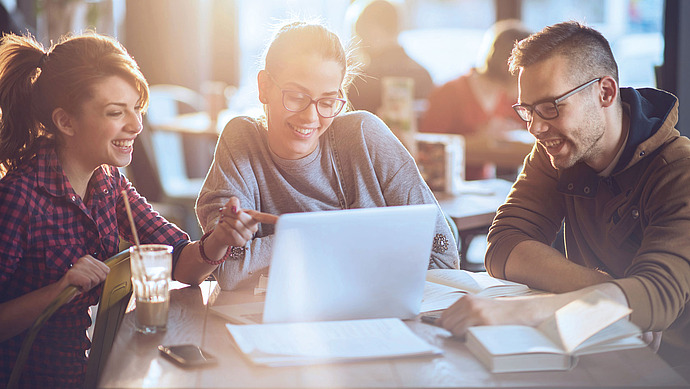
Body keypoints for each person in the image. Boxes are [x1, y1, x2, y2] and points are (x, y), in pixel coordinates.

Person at [0, 32, 270, 388]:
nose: (136, 125)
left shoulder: (110, 183)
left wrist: (220, 237)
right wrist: (58, 290)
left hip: (86, 375)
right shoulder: (19, 197)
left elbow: (182, 263)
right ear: (65, 122)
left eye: (136, 109)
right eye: (116, 112)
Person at [436, 21, 690, 379]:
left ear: (605, 92)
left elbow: (658, 296)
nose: (535, 128)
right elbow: (504, 245)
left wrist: (527, 311)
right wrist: (607, 291)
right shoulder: (557, 152)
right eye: (527, 110)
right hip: (588, 347)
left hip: (666, 367)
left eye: (551, 107)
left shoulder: (679, 170)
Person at [195, 20, 459, 291]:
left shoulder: (366, 136)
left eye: (327, 101)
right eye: (297, 96)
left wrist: (288, 242)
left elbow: (442, 256)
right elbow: (227, 266)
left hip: (379, 312)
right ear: (264, 87)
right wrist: (338, 237)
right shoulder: (242, 139)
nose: (311, 117)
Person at [420, 20, 531, 180]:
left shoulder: (507, 98)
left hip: (485, 186)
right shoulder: (449, 92)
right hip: (450, 186)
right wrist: (479, 138)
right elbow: (427, 149)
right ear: (507, 66)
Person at [347, 0, 434, 114]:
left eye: (360, 35)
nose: (359, 45)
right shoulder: (423, 75)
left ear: (374, 31)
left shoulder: (362, 82)